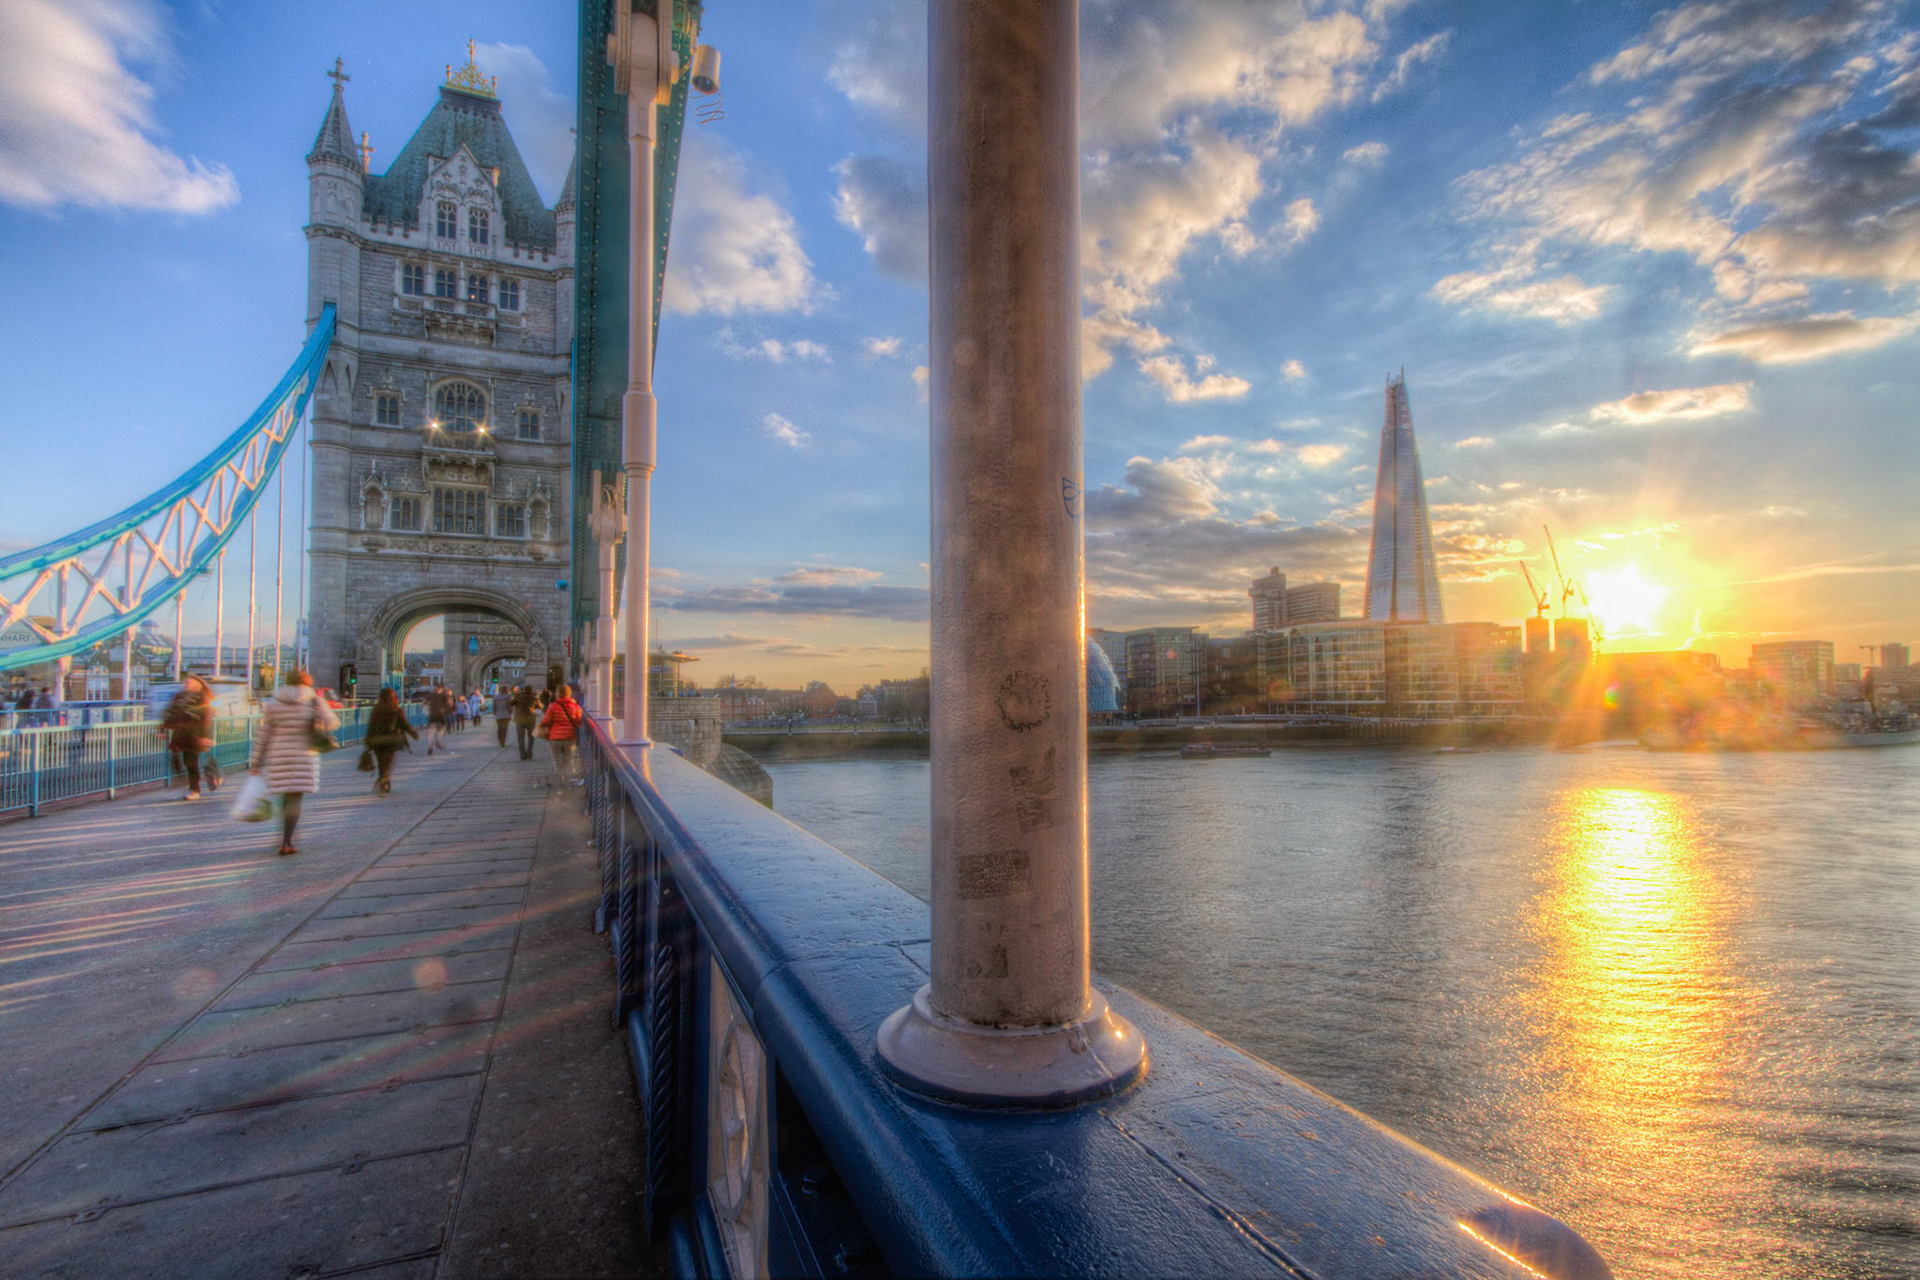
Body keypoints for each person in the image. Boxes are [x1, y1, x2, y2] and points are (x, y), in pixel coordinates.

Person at [248, 669, 338, 857]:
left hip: (278, 754)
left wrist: (256, 762)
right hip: (303, 754)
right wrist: (318, 721)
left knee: (285, 796)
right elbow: (332, 723)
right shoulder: (313, 700)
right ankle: (287, 840)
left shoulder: (274, 703)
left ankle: (283, 836)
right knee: (295, 798)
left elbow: (263, 734)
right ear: (307, 682)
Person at [162, 675, 215, 799]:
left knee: (191, 762)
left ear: (197, 685)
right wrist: (162, 728)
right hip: (179, 734)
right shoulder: (178, 697)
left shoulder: (202, 699)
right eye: (185, 682)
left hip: (194, 735)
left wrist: (204, 736)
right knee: (175, 758)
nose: (186, 685)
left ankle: (194, 789)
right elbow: (169, 712)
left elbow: (206, 718)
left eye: (189, 683)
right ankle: (183, 781)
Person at [364, 687, 416, 795]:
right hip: (390, 741)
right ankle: (384, 780)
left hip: (377, 740)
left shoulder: (376, 709)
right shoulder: (396, 710)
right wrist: (413, 733)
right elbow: (404, 724)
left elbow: (371, 726)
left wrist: (368, 741)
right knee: (387, 763)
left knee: (381, 762)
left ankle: (385, 782)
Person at [540, 683, 585, 782]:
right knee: (568, 760)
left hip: (554, 738)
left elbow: (545, 721)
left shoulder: (552, 706)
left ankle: (560, 778)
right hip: (569, 737)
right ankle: (567, 781)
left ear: (557, 694)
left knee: (557, 761)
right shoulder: (576, 707)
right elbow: (578, 722)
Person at [510, 684, 539, 760]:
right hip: (531, 719)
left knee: (520, 738)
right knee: (532, 737)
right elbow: (541, 706)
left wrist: (517, 702)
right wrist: (534, 706)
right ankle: (530, 753)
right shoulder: (533, 697)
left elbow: (511, 703)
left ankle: (522, 755)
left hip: (520, 719)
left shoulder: (519, 696)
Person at [425, 685, 450, 754]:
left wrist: (423, 705)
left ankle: (430, 746)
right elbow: (448, 705)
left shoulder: (431, 695)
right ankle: (438, 739)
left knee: (431, 730)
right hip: (440, 714)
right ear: (441, 689)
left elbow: (424, 702)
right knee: (443, 726)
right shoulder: (444, 696)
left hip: (432, 714)